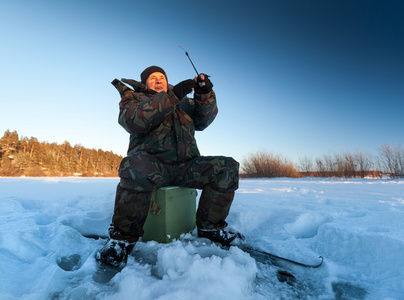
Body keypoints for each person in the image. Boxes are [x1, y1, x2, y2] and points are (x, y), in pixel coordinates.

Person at [96, 66, 243, 267]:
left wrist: (204, 94)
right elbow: (132, 121)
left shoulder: (184, 102)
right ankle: (121, 239)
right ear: (145, 83)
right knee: (134, 166)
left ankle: (211, 227)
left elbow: (203, 120)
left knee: (226, 167)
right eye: (153, 78)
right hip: (153, 166)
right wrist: (171, 97)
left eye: (162, 77)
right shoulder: (134, 99)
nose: (158, 80)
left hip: (187, 167)